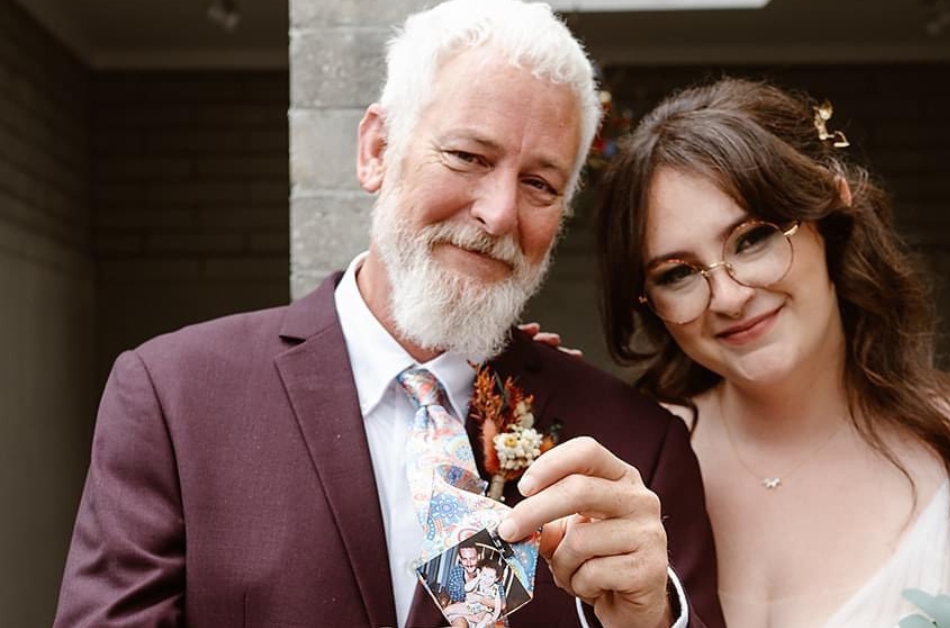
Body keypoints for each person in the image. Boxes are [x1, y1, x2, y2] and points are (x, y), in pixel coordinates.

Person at [51, 2, 723, 628]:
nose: (497, 213)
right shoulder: (175, 396)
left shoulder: (636, 451)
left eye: (539, 184)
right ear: (376, 149)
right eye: (467, 156)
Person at [579, 78, 950, 627]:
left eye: (753, 239)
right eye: (678, 273)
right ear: (649, 302)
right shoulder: (635, 470)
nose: (730, 296)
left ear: (829, 221)